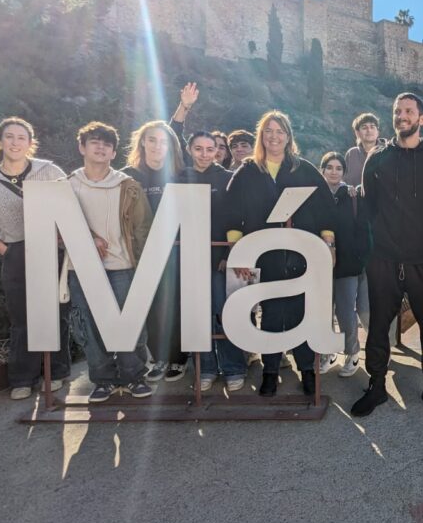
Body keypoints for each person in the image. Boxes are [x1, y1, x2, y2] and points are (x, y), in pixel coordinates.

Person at [350, 93, 423, 417]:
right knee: (378, 326)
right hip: (384, 259)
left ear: (422, 119)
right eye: (397, 111)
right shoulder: (377, 158)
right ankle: (376, 386)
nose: (402, 115)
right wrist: (381, 238)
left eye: (409, 111)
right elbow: (367, 205)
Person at [223, 110, 336, 398]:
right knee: (271, 316)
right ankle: (270, 372)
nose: (274, 136)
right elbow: (231, 213)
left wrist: (328, 242)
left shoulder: (304, 169)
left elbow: (326, 209)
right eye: (269, 131)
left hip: (301, 257)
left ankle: (307, 370)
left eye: (280, 131)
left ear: (288, 137)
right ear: (261, 135)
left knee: (300, 314)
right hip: (265, 258)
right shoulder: (247, 171)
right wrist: (238, 252)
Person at [0, 117, 72, 400]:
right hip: (15, 253)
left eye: (21, 137)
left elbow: (69, 205)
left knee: (56, 314)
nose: (15, 143)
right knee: (22, 318)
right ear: (0, 141)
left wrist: (62, 237)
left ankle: (57, 372)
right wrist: (4, 249)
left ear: (30, 143)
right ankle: (23, 379)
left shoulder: (49, 172)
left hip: (51, 250)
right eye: (9, 137)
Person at [66, 122, 154, 402]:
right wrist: (87, 238)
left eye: (107, 144)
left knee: (130, 323)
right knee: (88, 326)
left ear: (114, 153)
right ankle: (102, 379)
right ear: (82, 147)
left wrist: (143, 265)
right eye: (94, 141)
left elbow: (143, 227)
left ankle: (134, 376)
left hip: (121, 265)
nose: (101, 147)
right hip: (80, 267)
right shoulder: (67, 186)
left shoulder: (128, 186)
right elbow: (56, 228)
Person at [178, 131, 247, 392]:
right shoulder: (179, 178)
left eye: (210, 149)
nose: (205, 154)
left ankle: (233, 368)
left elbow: (237, 219)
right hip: (191, 258)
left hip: (220, 259)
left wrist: (230, 255)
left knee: (224, 313)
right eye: (199, 148)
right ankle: (205, 368)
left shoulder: (227, 178)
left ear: (217, 150)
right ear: (189, 150)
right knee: (199, 314)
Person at [122, 120, 187, 383]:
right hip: (142, 252)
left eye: (163, 141)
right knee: (150, 306)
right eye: (152, 140)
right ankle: (159, 357)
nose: (157, 146)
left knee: (176, 304)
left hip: (177, 251)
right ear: (142, 143)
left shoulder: (180, 174)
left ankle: (178, 358)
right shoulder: (128, 175)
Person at [319, 152, 371, 378]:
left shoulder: (352, 196)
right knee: (322, 312)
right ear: (322, 170)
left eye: (338, 168)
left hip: (347, 264)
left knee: (345, 312)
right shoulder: (315, 196)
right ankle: (327, 353)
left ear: (344, 172)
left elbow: (362, 229)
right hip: (320, 264)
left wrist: (359, 258)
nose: (333, 172)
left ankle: (352, 354)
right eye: (329, 167)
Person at [343, 112, 385, 187]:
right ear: (357, 133)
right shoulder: (351, 154)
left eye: (372, 127)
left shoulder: (387, 151)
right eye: (364, 128)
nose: (369, 130)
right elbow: (344, 181)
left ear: (378, 132)